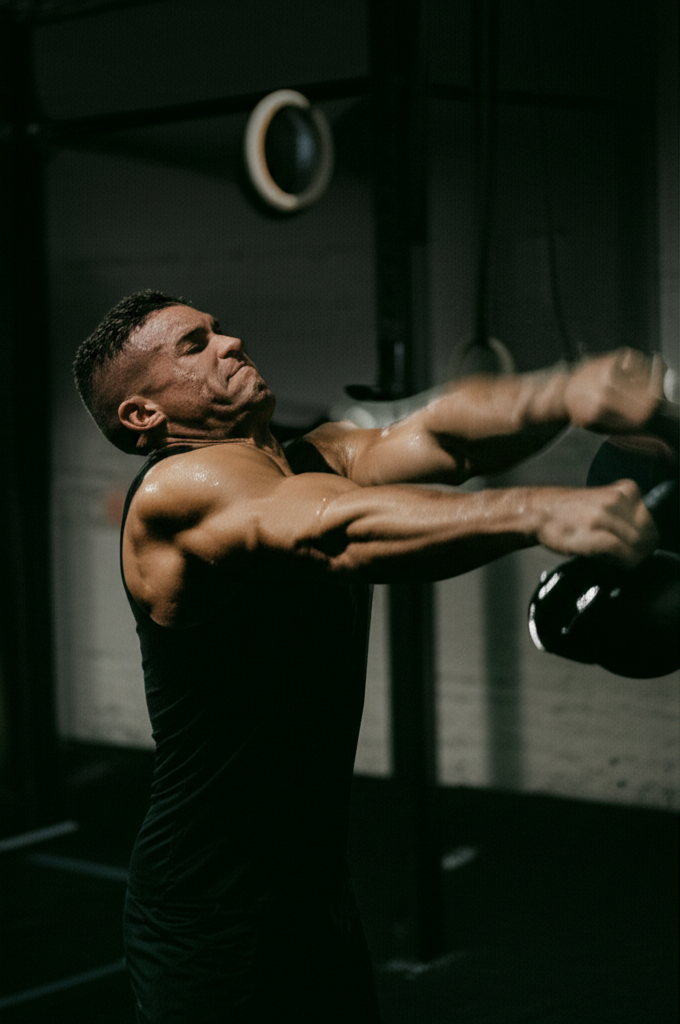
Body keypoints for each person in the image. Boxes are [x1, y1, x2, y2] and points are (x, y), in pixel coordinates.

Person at [73, 289, 667, 1023]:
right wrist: (539, 510)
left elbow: (447, 438)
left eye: (220, 329)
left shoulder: (310, 457)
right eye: (194, 346)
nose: (230, 343)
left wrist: (565, 393)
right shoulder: (178, 491)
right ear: (143, 415)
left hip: (314, 890)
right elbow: (334, 530)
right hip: (206, 908)